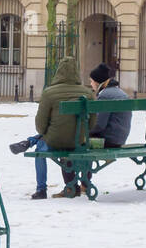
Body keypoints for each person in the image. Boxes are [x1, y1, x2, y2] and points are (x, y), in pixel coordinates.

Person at [9, 55, 92, 200]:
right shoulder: (88, 93)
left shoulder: (49, 93)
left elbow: (40, 126)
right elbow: (91, 124)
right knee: (44, 138)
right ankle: (29, 141)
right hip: (78, 141)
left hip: (54, 141)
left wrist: (46, 134)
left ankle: (41, 189)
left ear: (58, 72)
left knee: (39, 149)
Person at [87, 63, 131, 151]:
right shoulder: (119, 92)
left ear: (97, 82)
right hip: (119, 138)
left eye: (91, 81)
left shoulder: (105, 95)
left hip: (109, 141)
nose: (91, 84)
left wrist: (84, 132)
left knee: (79, 142)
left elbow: (99, 125)